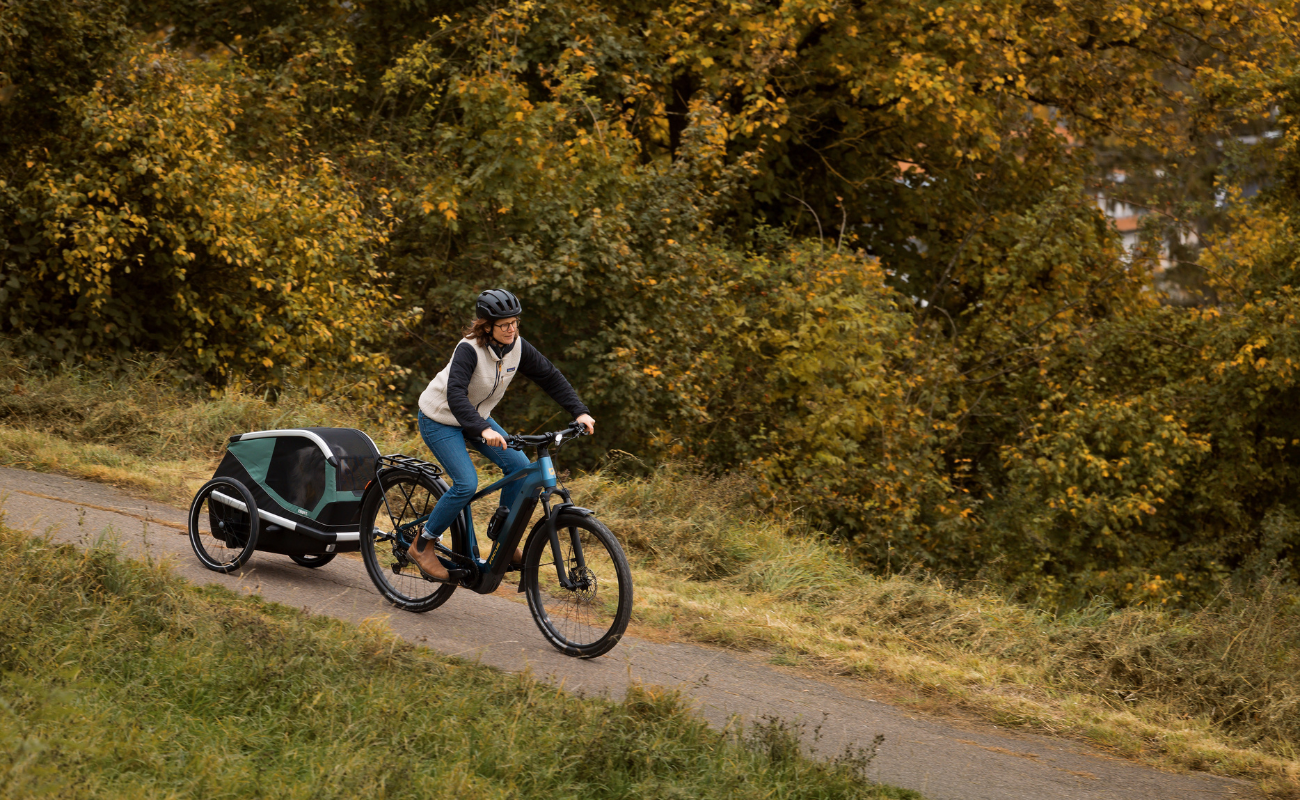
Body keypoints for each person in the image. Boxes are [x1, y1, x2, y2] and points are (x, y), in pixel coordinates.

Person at [408, 289, 596, 581]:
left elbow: (549, 376)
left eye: (515, 322)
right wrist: (482, 429)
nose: (512, 329)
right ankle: (423, 544)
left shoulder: (517, 346)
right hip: (440, 419)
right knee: (466, 484)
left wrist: (579, 411)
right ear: (487, 327)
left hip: (477, 419)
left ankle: (502, 540)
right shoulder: (469, 349)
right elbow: (455, 395)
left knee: (520, 469)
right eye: (505, 324)